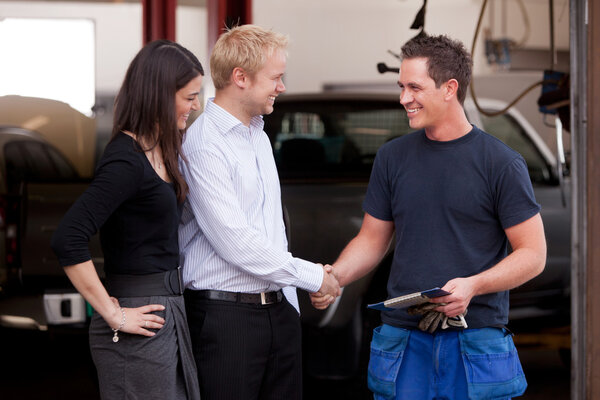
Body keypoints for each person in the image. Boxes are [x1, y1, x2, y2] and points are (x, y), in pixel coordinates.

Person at [311, 34, 547, 400]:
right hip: (403, 343)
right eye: (402, 87)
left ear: (449, 88)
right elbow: (372, 239)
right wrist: (334, 277)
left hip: (475, 345)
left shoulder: (501, 163)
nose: (404, 98)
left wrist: (472, 286)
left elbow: (533, 255)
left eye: (414, 87)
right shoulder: (391, 158)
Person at [178, 24, 340, 400]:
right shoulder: (204, 144)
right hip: (227, 322)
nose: (281, 87)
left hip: (277, 312)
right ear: (240, 78)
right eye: (276, 77)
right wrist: (310, 276)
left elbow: (270, 229)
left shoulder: (260, 135)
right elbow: (236, 241)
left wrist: (292, 298)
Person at [51, 39, 204, 400]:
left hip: (168, 311)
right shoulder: (126, 160)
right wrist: (113, 314)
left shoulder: (162, 150)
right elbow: (67, 237)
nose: (196, 106)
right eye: (189, 96)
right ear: (159, 95)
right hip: (137, 319)